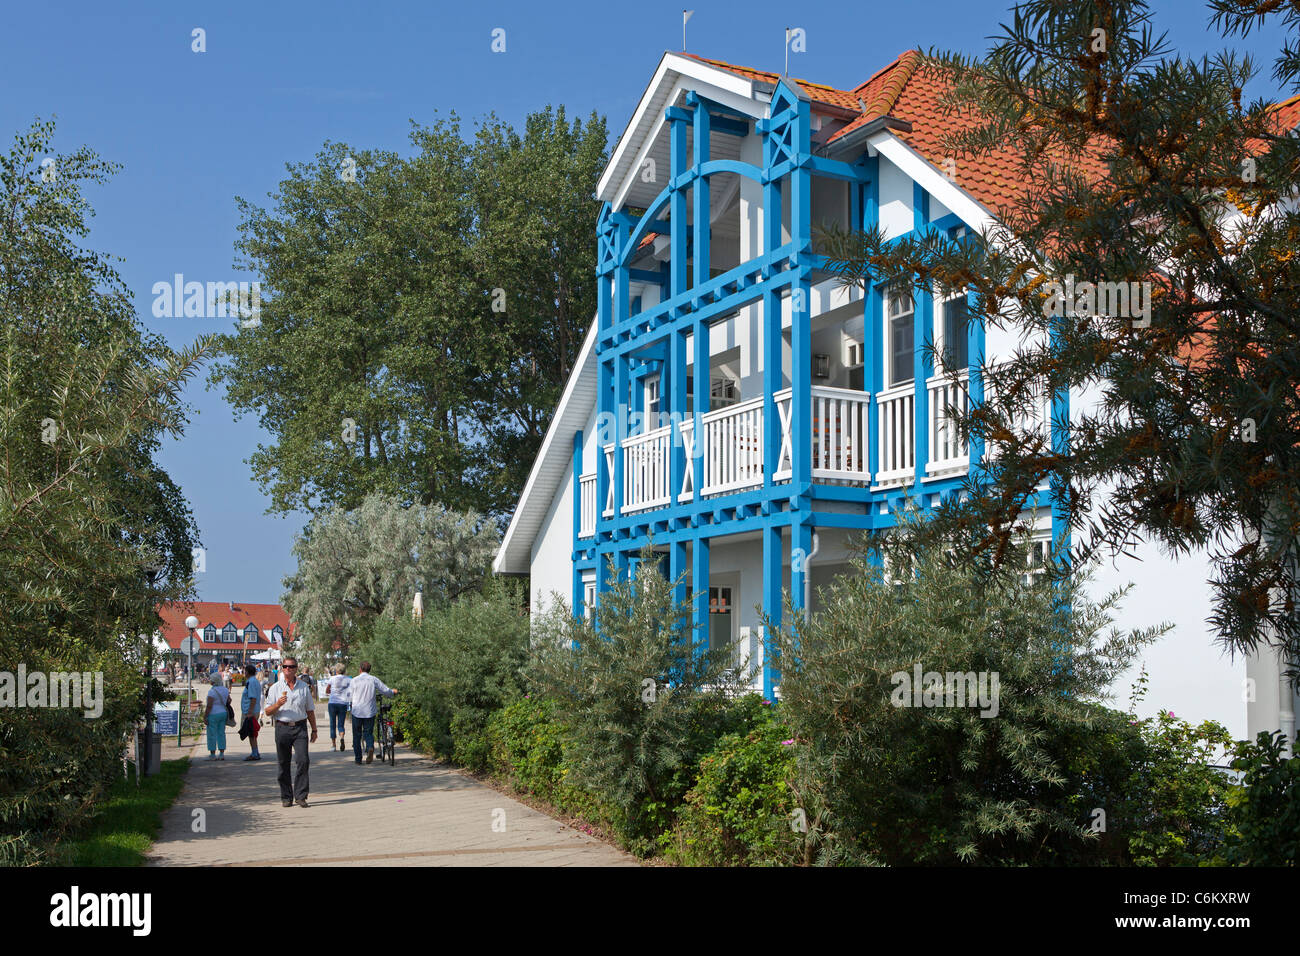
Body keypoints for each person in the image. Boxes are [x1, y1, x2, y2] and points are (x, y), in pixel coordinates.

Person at [264, 656, 318, 807]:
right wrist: (277, 704)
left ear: (296, 669)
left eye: (291, 667)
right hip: (282, 727)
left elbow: (310, 710)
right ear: (282, 668)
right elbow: (267, 711)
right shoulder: (275, 688)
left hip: (300, 727)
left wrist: (314, 729)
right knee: (283, 763)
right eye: (285, 666)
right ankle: (286, 796)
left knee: (303, 760)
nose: (288, 669)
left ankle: (301, 795)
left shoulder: (303, 687)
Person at [348, 661, 396, 765]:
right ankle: (370, 747)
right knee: (368, 733)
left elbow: (349, 696)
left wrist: (350, 704)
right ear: (369, 670)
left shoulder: (354, 680)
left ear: (360, 669)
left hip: (357, 711)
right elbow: (385, 690)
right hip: (369, 711)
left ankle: (358, 759)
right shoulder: (373, 679)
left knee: (357, 735)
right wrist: (392, 692)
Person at [203, 678, 233, 760]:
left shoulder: (212, 692)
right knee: (221, 733)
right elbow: (229, 700)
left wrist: (205, 716)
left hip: (213, 714)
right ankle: (221, 753)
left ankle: (212, 754)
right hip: (223, 713)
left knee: (212, 734)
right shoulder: (225, 690)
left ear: (213, 682)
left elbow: (209, 705)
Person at [324, 664, 352, 751]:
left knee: (332, 724)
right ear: (344, 671)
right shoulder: (348, 679)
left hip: (332, 703)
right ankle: (342, 737)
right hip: (343, 703)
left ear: (336, 671)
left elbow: (327, 690)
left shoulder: (332, 679)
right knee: (341, 723)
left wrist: (330, 692)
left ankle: (333, 745)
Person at [240, 663, 263, 761]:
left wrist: (249, 712)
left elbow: (253, 697)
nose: (244, 673)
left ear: (248, 672)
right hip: (252, 710)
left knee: (251, 733)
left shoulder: (251, 682)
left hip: (251, 711)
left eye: (245, 671)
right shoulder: (253, 681)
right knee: (251, 733)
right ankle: (255, 751)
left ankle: (254, 753)